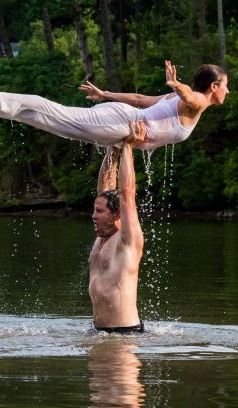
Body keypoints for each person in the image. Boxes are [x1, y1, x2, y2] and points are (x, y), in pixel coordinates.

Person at [0, 60, 229, 150]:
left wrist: (104, 92)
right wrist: (176, 84)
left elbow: (140, 99)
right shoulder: (197, 101)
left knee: (54, 123)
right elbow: (191, 97)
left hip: (121, 120)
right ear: (213, 86)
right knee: (56, 113)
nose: (227, 91)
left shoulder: (180, 101)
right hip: (121, 123)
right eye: (225, 85)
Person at [89, 122, 146, 333]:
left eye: (99, 211)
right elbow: (104, 188)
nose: (93, 216)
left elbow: (127, 194)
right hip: (98, 332)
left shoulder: (127, 240)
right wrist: (113, 149)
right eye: (95, 210)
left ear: (117, 215)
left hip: (124, 334)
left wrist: (128, 147)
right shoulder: (102, 237)